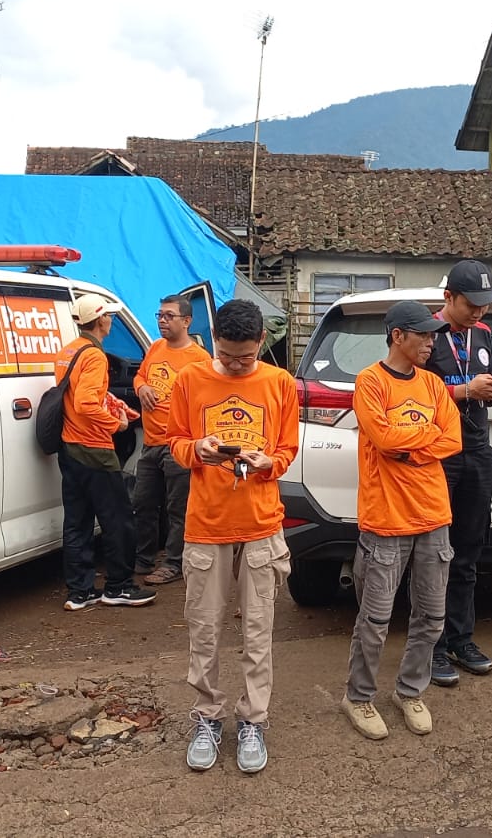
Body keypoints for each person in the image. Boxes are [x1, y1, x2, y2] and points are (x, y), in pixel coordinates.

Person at [168, 299, 299, 774]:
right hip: (207, 525)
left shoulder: (280, 383)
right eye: (227, 355)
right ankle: (206, 716)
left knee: (257, 631)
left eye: (246, 357)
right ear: (214, 342)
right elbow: (175, 443)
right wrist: (198, 449)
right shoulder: (191, 379)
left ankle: (253, 720)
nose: (237, 364)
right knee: (204, 630)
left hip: (262, 525)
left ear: (262, 343)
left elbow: (287, 448)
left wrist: (270, 462)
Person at [342, 300, 463, 740]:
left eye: (433, 335)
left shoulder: (433, 386)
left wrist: (408, 447)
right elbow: (384, 438)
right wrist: (416, 440)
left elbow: (452, 439)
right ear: (398, 336)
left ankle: (410, 690)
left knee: (431, 617)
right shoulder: (370, 383)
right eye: (424, 335)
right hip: (385, 520)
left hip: (433, 515)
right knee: (374, 621)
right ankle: (359, 698)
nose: (432, 342)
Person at [422, 259, 492, 687]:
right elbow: (413, 390)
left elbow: (482, 385)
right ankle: (433, 646)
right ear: (448, 299)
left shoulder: (483, 334)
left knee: (469, 551)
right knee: (434, 552)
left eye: (485, 305)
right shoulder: (425, 334)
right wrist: (464, 390)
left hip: (478, 448)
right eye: (471, 304)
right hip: (438, 453)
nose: (479, 313)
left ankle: (462, 639)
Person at [55, 293, 156, 610]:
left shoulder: (68, 351)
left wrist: (109, 403)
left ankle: (79, 592)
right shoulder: (96, 357)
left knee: (77, 522)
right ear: (101, 320)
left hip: (69, 446)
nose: (111, 320)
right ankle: (119, 586)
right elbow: (86, 403)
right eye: (109, 316)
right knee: (118, 519)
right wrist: (117, 423)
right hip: (95, 448)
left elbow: (74, 399)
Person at [132, 294, 211, 585]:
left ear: (187, 321)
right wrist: (141, 389)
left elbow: (208, 401)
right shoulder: (155, 347)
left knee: (178, 507)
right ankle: (143, 558)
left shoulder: (200, 360)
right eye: (160, 315)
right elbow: (140, 376)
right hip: (150, 443)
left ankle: (175, 562)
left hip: (178, 444)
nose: (162, 321)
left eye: (169, 316)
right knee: (143, 502)